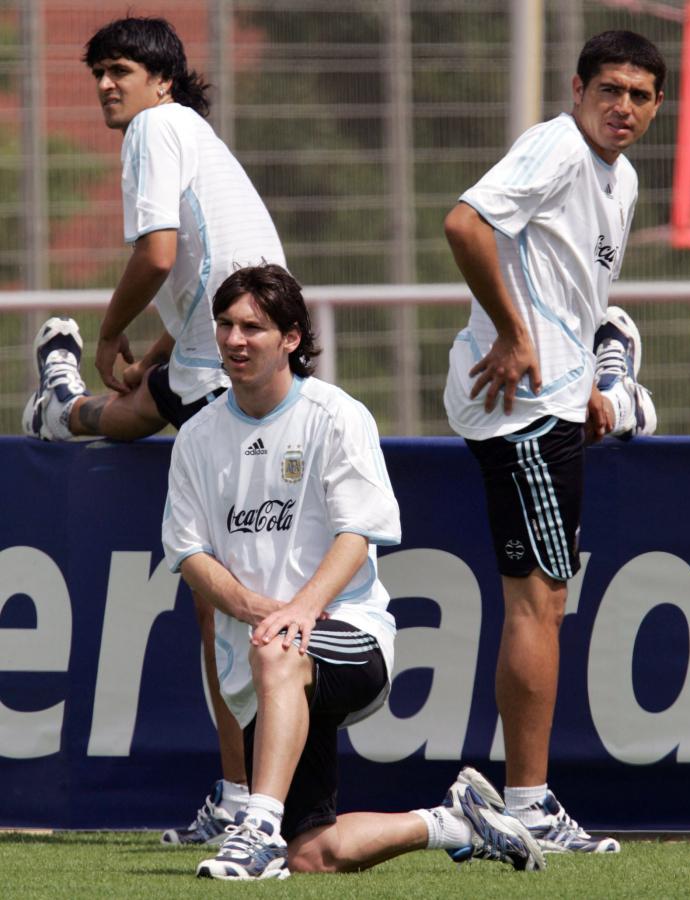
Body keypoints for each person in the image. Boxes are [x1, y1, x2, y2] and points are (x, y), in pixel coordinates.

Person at [161, 263, 545, 880]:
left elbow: (356, 533)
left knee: (280, 654)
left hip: (348, 635)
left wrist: (300, 610)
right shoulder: (198, 437)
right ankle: (456, 821)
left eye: (253, 327)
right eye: (226, 325)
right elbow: (190, 556)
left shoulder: (336, 415)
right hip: (264, 656)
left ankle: (254, 829)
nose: (234, 340)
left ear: (290, 338)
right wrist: (264, 612)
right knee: (312, 854)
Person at [21, 16, 289, 844]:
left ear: (162, 81)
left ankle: (245, 801)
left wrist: (109, 334)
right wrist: (163, 350)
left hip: (234, 370)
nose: (107, 84)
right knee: (136, 411)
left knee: (228, 606)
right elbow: (210, 270)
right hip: (228, 357)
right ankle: (60, 408)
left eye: (123, 70)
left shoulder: (155, 128)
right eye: (98, 71)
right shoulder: (188, 133)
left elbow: (162, 256)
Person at [443, 30, 664, 853]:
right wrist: (511, 333)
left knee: (544, 599)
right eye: (609, 89)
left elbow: (566, 293)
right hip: (519, 406)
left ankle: (612, 392)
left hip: (551, 401)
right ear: (576, 89)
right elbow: (463, 224)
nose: (622, 107)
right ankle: (527, 803)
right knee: (539, 602)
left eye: (640, 96)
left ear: (656, 106)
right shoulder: (556, 146)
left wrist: (572, 382)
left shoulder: (621, 176)